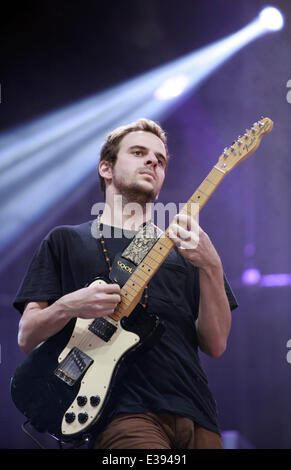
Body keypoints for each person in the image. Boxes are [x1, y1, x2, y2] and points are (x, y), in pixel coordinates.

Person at [13, 118, 238, 449]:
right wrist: (70, 305)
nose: (152, 162)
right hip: (121, 414)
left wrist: (213, 266)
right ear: (106, 168)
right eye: (138, 152)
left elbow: (216, 344)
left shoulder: (188, 253)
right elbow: (27, 335)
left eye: (160, 160)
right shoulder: (66, 241)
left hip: (197, 413)